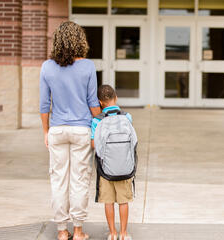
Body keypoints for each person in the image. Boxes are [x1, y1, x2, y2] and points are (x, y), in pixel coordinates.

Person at [39, 21, 101, 240]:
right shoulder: (88, 66)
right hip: (81, 130)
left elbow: (44, 105)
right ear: (80, 40)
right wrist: (102, 119)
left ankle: (62, 231)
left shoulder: (47, 67)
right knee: (79, 180)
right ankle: (78, 231)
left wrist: (46, 131)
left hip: (57, 130)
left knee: (58, 180)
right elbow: (93, 103)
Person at [91, 85, 133, 240]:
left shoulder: (97, 120)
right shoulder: (127, 117)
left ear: (100, 102)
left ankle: (113, 233)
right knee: (124, 201)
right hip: (124, 167)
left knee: (108, 201)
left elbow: (94, 144)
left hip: (106, 169)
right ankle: (123, 233)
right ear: (116, 98)